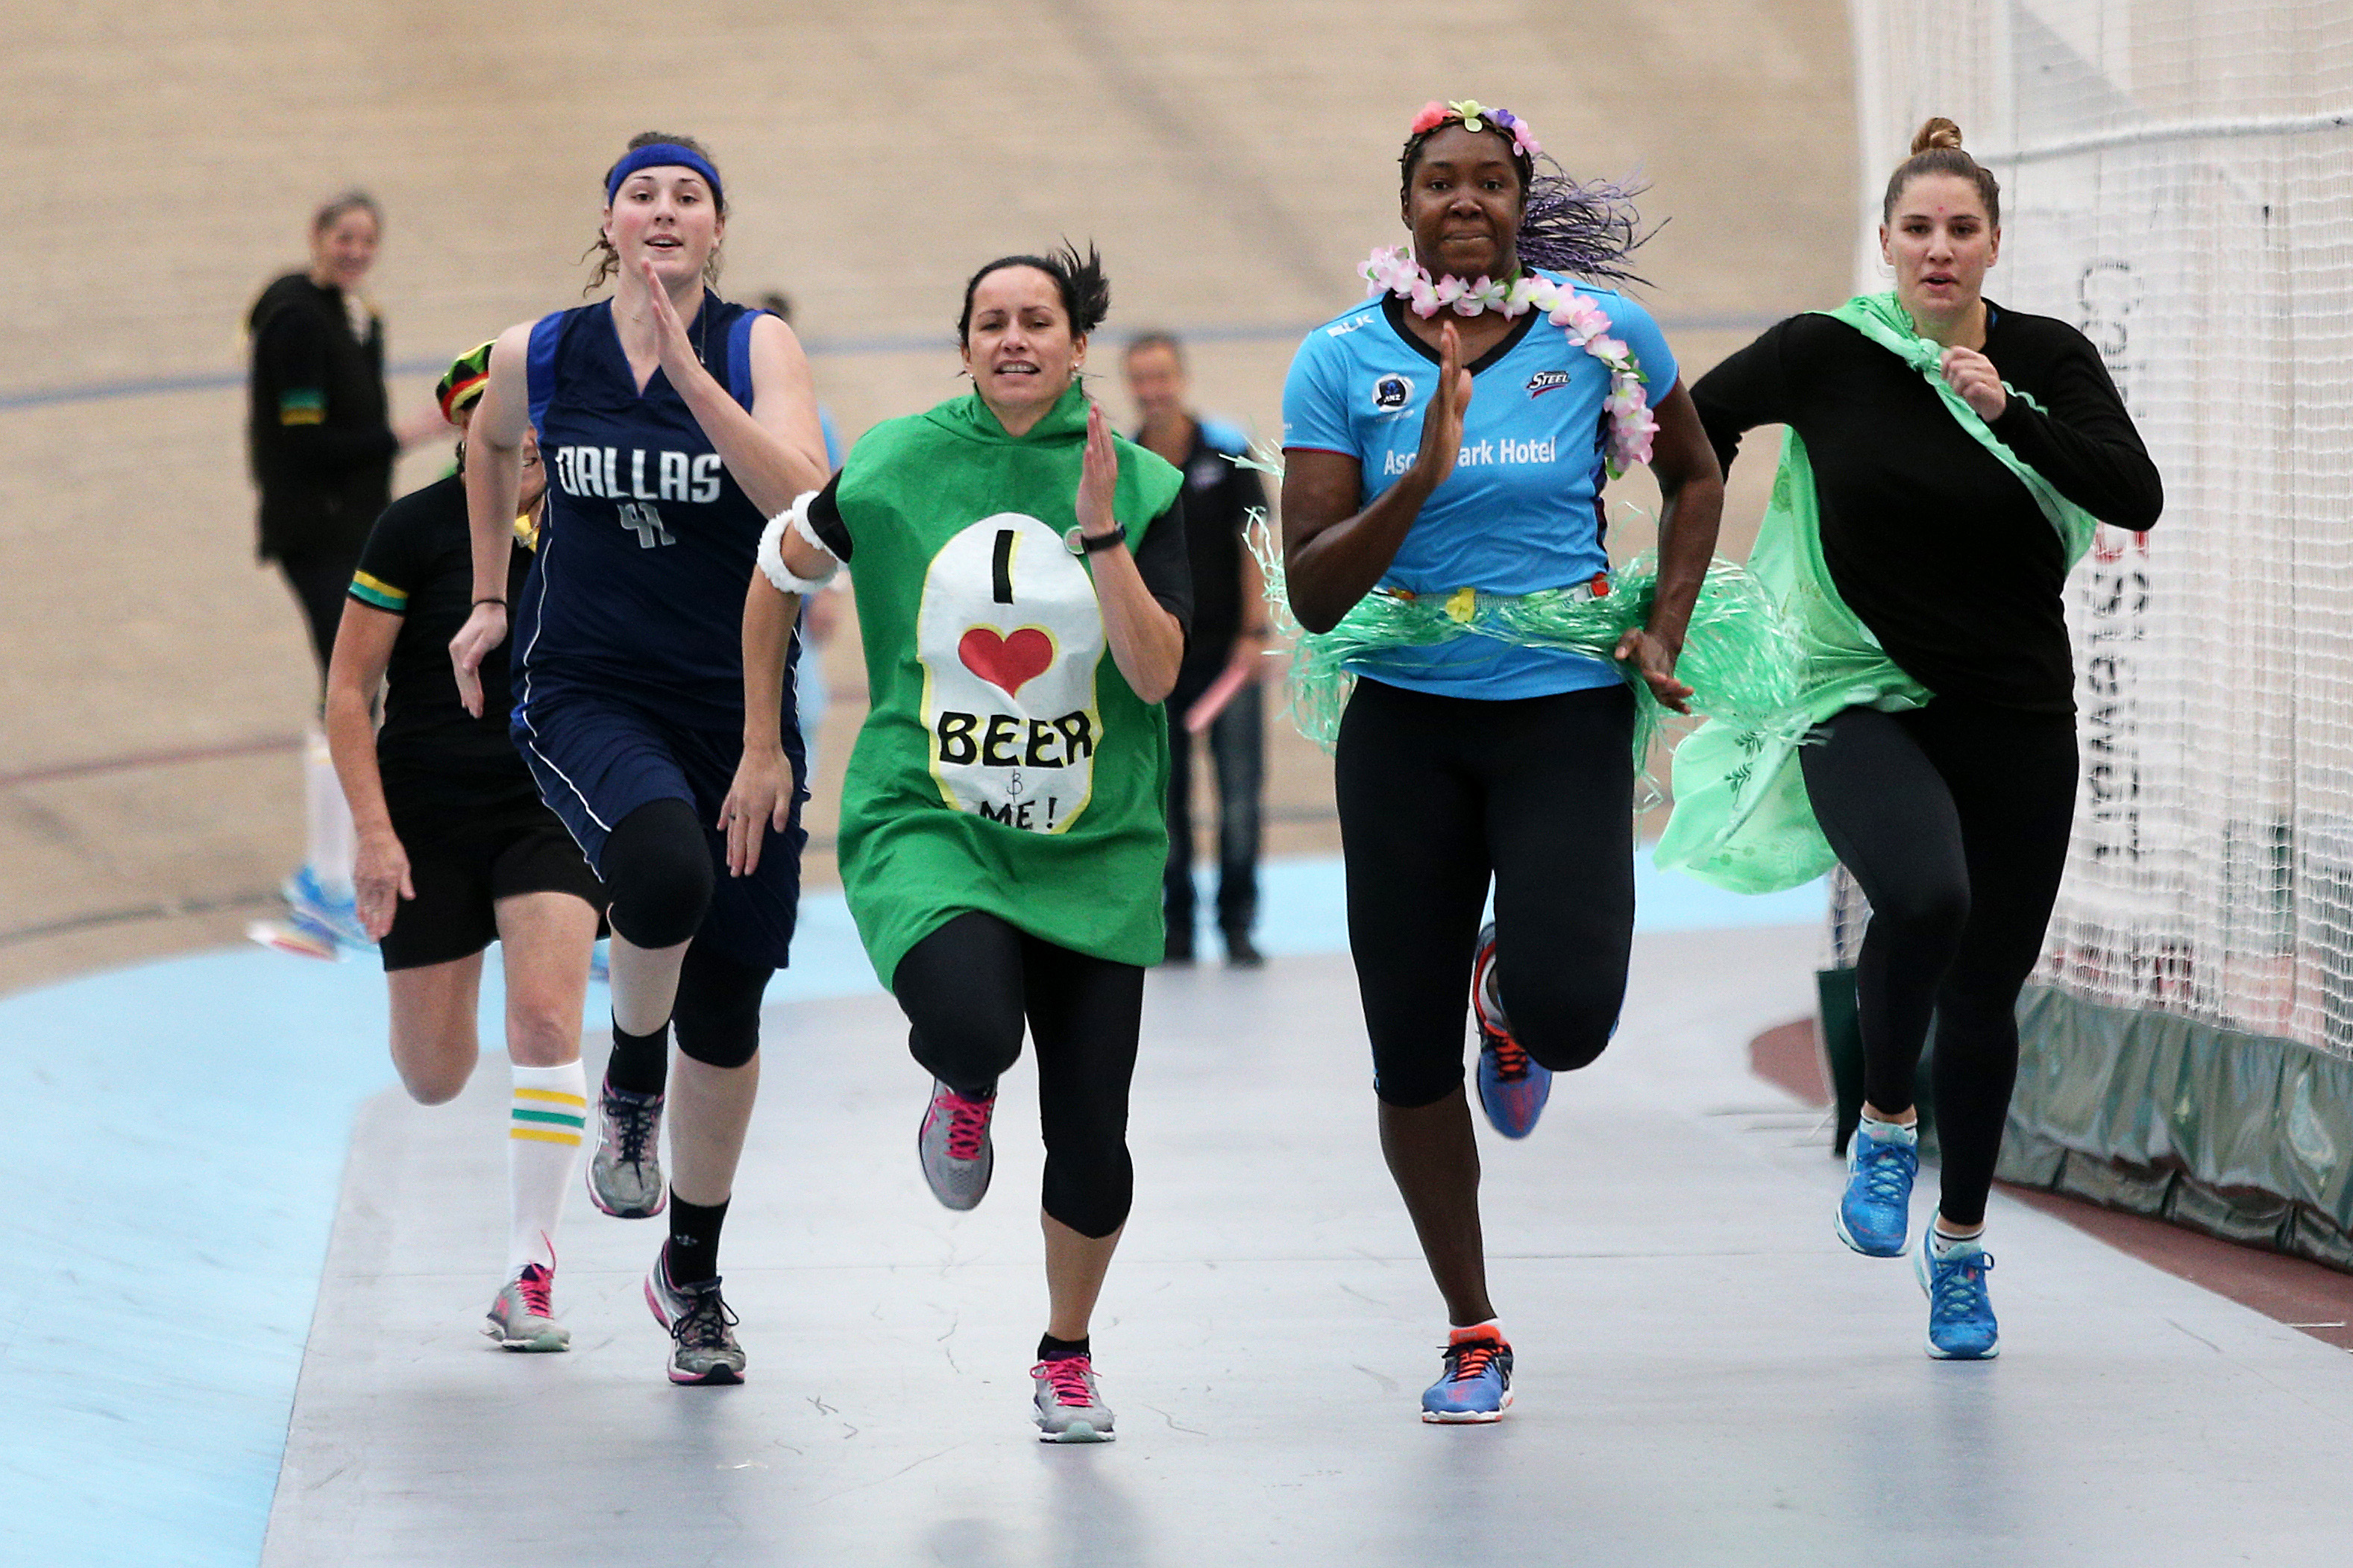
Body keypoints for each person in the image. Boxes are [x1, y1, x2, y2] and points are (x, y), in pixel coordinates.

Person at [1660, 118, 2161, 1359]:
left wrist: (2016, 411)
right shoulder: (1825, 353)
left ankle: (1959, 1246)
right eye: (1919, 229)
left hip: (2018, 709)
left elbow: (2133, 492)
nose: (1940, 249)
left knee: (1987, 991)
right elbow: (1693, 429)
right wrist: (1693, 579)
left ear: (1994, 243)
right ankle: (1885, 1119)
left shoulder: (2046, 355)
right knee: (1925, 897)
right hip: (1856, 693)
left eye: (1962, 229)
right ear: (1885, 242)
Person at [1278, 99, 1724, 1422]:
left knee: (1574, 1018)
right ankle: (1472, 1325)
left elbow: (1696, 478)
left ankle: (1509, 988)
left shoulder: (1602, 338)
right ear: (1404, 203)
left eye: (1488, 181)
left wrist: (1663, 624)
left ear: (1522, 200)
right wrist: (1413, 481)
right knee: (1405, 1058)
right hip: (1406, 720)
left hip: (1563, 708)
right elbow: (1308, 591)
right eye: (1438, 182)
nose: (1463, 201)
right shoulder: (1339, 361)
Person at [738, 244, 1190, 1441]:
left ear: (1077, 344)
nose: (1013, 339)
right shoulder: (892, 462)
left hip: (1096, 846)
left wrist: (1099, 535)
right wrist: (760, 743)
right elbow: (774, 567)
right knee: (976, 1023)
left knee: (1093, 1134)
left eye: (1037, 320)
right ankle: (963, 1080)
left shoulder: (1141, 483)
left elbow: (1155, 672)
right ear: (962, 344)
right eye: (989, 320)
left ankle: (1065, 1349)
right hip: (927, 819)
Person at [448, 133, 833, 1386]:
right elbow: (489, 444)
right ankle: (627, 1077)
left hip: (741, 709)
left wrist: (691, 376)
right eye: (643, 193)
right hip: (588, 690)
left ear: (715, 231)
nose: (664, 210)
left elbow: (809, 508)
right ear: (610, 219)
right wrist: (494, 596)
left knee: (727, 1007)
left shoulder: (753, 343)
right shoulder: (538, 351)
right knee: (664, 870)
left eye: (689, 197)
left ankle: (696, 1274)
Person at [323, 344, 607, 1350]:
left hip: (549, 808)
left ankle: (528, 1270)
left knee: (543, 1019)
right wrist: (371, 833)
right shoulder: (413, 529)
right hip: (429, 816)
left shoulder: (589, 520)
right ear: (462, 429)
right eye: (501, 414)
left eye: (539, 412)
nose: (525, 432)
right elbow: (349, 692)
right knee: (434, 1073)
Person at [247, 191, 444, 948]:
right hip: (316, 532)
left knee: (355, 689)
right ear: (317, 238)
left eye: (368, 238)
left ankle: (329, 874)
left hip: (352, 530)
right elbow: (303, 443)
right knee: (349, 690)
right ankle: (324, 881)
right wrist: (408, 434)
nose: (357, 249)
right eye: (345, 236)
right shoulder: (298, 320)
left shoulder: (358, 317)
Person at [1124, 332, 1272, 967]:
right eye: (1141, 379)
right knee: (1165, 798)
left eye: (1162, 376)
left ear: (1180, 377)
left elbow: (1255, 541)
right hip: (1160, 661)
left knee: (1240, 794)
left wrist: (1255, 632)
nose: (1154, 390)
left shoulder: (1226, 453)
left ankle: (1236, 923)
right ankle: (1175, 925)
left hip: (1227, 657)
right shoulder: (1125, 462)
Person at [755, 292, 846, 765]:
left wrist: (831, 591)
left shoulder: (817, 417)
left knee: (801, 706)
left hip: (792, 580)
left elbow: (833, 503)